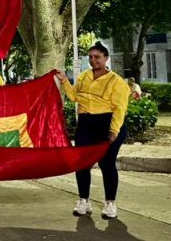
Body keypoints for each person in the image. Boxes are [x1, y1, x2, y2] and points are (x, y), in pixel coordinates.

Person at [56, 41, 129, 220]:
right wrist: (64, 80)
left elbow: (120, 108)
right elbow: (74, 96)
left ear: (106, 58)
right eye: (90, 57)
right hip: (86, 124)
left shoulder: (116, 82)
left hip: (108, 123)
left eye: (97, 57)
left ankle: (110, 204)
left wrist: (114, 130)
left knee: (107, 163)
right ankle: (83, 201)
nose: (93, 60)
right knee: (82, 164)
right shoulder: (83, 77)